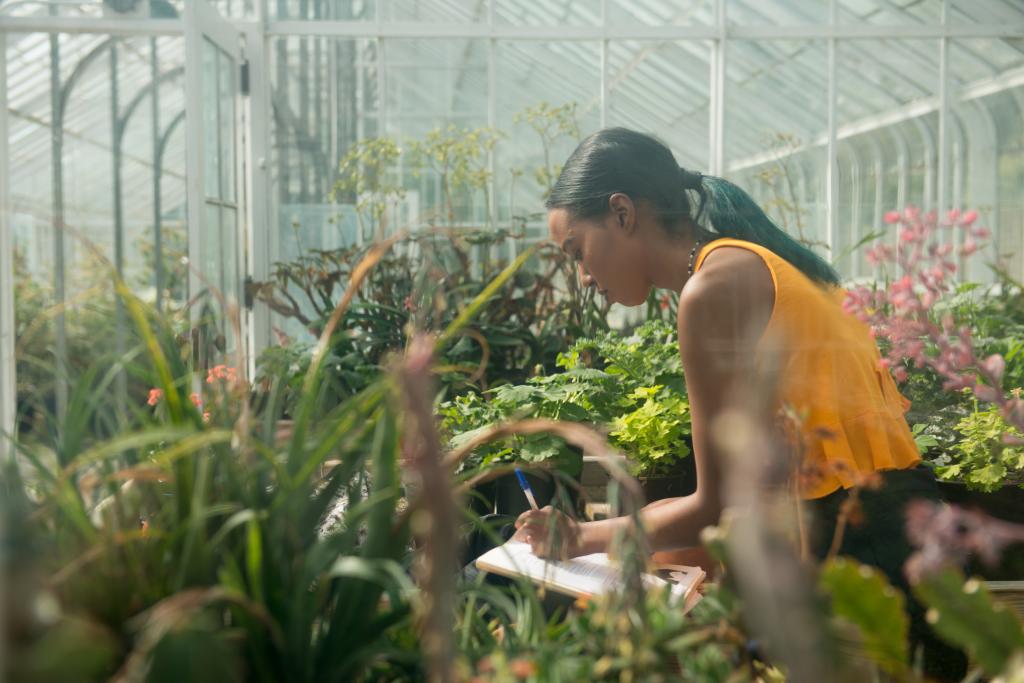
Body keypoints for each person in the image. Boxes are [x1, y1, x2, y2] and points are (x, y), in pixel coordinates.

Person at [513, 127, 965, 679]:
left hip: (865, 560)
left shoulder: (712, 290)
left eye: (577, 251)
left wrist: (581, 536)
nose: (583, 277)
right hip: (899, 536)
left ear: (623, 214)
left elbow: (715, 506)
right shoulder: (744, 262)